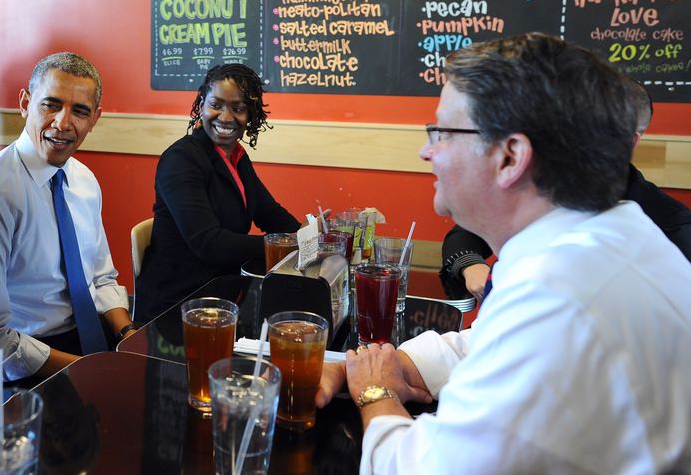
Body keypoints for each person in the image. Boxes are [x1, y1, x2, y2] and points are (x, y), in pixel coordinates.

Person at [318, 33, 691, 473]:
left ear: (510, 157)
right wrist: (386, 364)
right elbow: (490, 342)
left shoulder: (558, 295)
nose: (426, 151)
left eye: (442, 132)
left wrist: (375, 393)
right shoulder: (603, 239)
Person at [0, 52, 134, 396]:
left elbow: (100, 277)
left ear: (95, 119)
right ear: (25, 103)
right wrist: (87, 369)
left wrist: (127, 334)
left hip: (87, 340)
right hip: (17, 363)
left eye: (80, 111)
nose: (63, 123)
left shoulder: (84, 180)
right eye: (51, 105)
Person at [440, 77, 691, 300]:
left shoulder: (672, 225)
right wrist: (471, 266)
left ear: (627, 140)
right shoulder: (541, 187)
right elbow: (466, 233)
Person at [134, 63, 301, 322]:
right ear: (201, 106)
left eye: (238, 108)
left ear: (251, 115)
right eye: (216, 105)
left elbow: (268, 212)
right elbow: (209, 244)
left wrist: (308, 236)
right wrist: (283, 244)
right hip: (176, 307)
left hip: (225, 294)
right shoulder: (181, 160)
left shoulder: (237, 157)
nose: (225, 117)